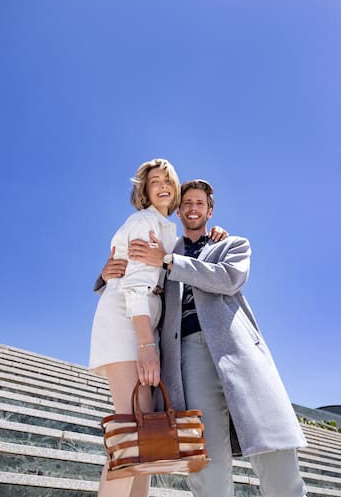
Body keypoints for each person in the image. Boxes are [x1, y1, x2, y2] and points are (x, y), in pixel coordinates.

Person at [104, 179, 308, 497]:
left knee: (275, 449)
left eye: (200, 203)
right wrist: (107, 272)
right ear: (179, 212)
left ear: (210, 210)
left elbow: (228, 279)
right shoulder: (163, 251)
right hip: (187, 354)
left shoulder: (232, 245)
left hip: (237, 350)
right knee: (206, 460)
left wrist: (170, 262)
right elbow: (133, 281)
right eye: (187, 203)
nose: (193, 208)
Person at [89, 162, 224, 497]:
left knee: (144, 434)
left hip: (141, 332)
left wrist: (213, 234)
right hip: (127, 330)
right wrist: (147, 346)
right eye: (154, 182)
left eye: (168, 180)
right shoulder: (145, 221)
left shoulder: (167, 232)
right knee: (131, 432)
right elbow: (135, 287)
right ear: (144, 190)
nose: (162, 186)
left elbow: (179, 260)